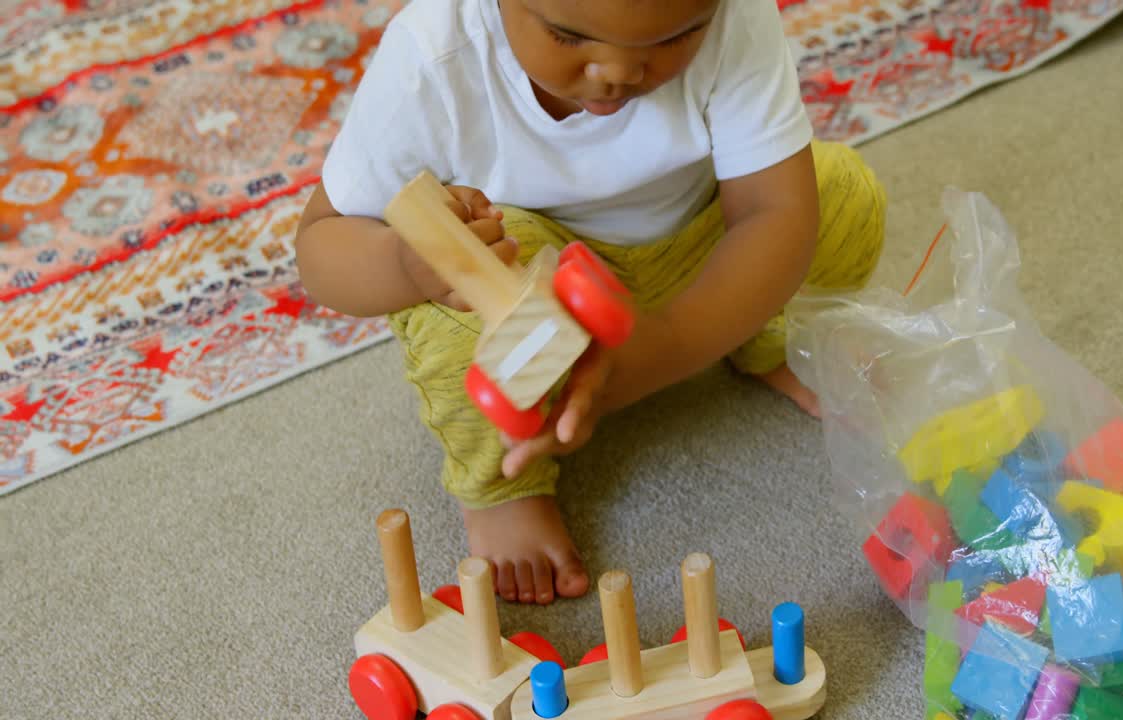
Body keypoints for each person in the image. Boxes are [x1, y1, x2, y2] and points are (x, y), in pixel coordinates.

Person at [294, 0, 885, 604]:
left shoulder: (736, 16)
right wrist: (408, 263)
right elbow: (320, 249)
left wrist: (661, 348)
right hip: (532, 277)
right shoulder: (431, 56)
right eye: (568, 35)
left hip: (696, 246)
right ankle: (504, 488)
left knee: (837, 196)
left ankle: (759, 332)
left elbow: (770, 213)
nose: (620, 72)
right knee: (455, 330)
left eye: (678, 35)